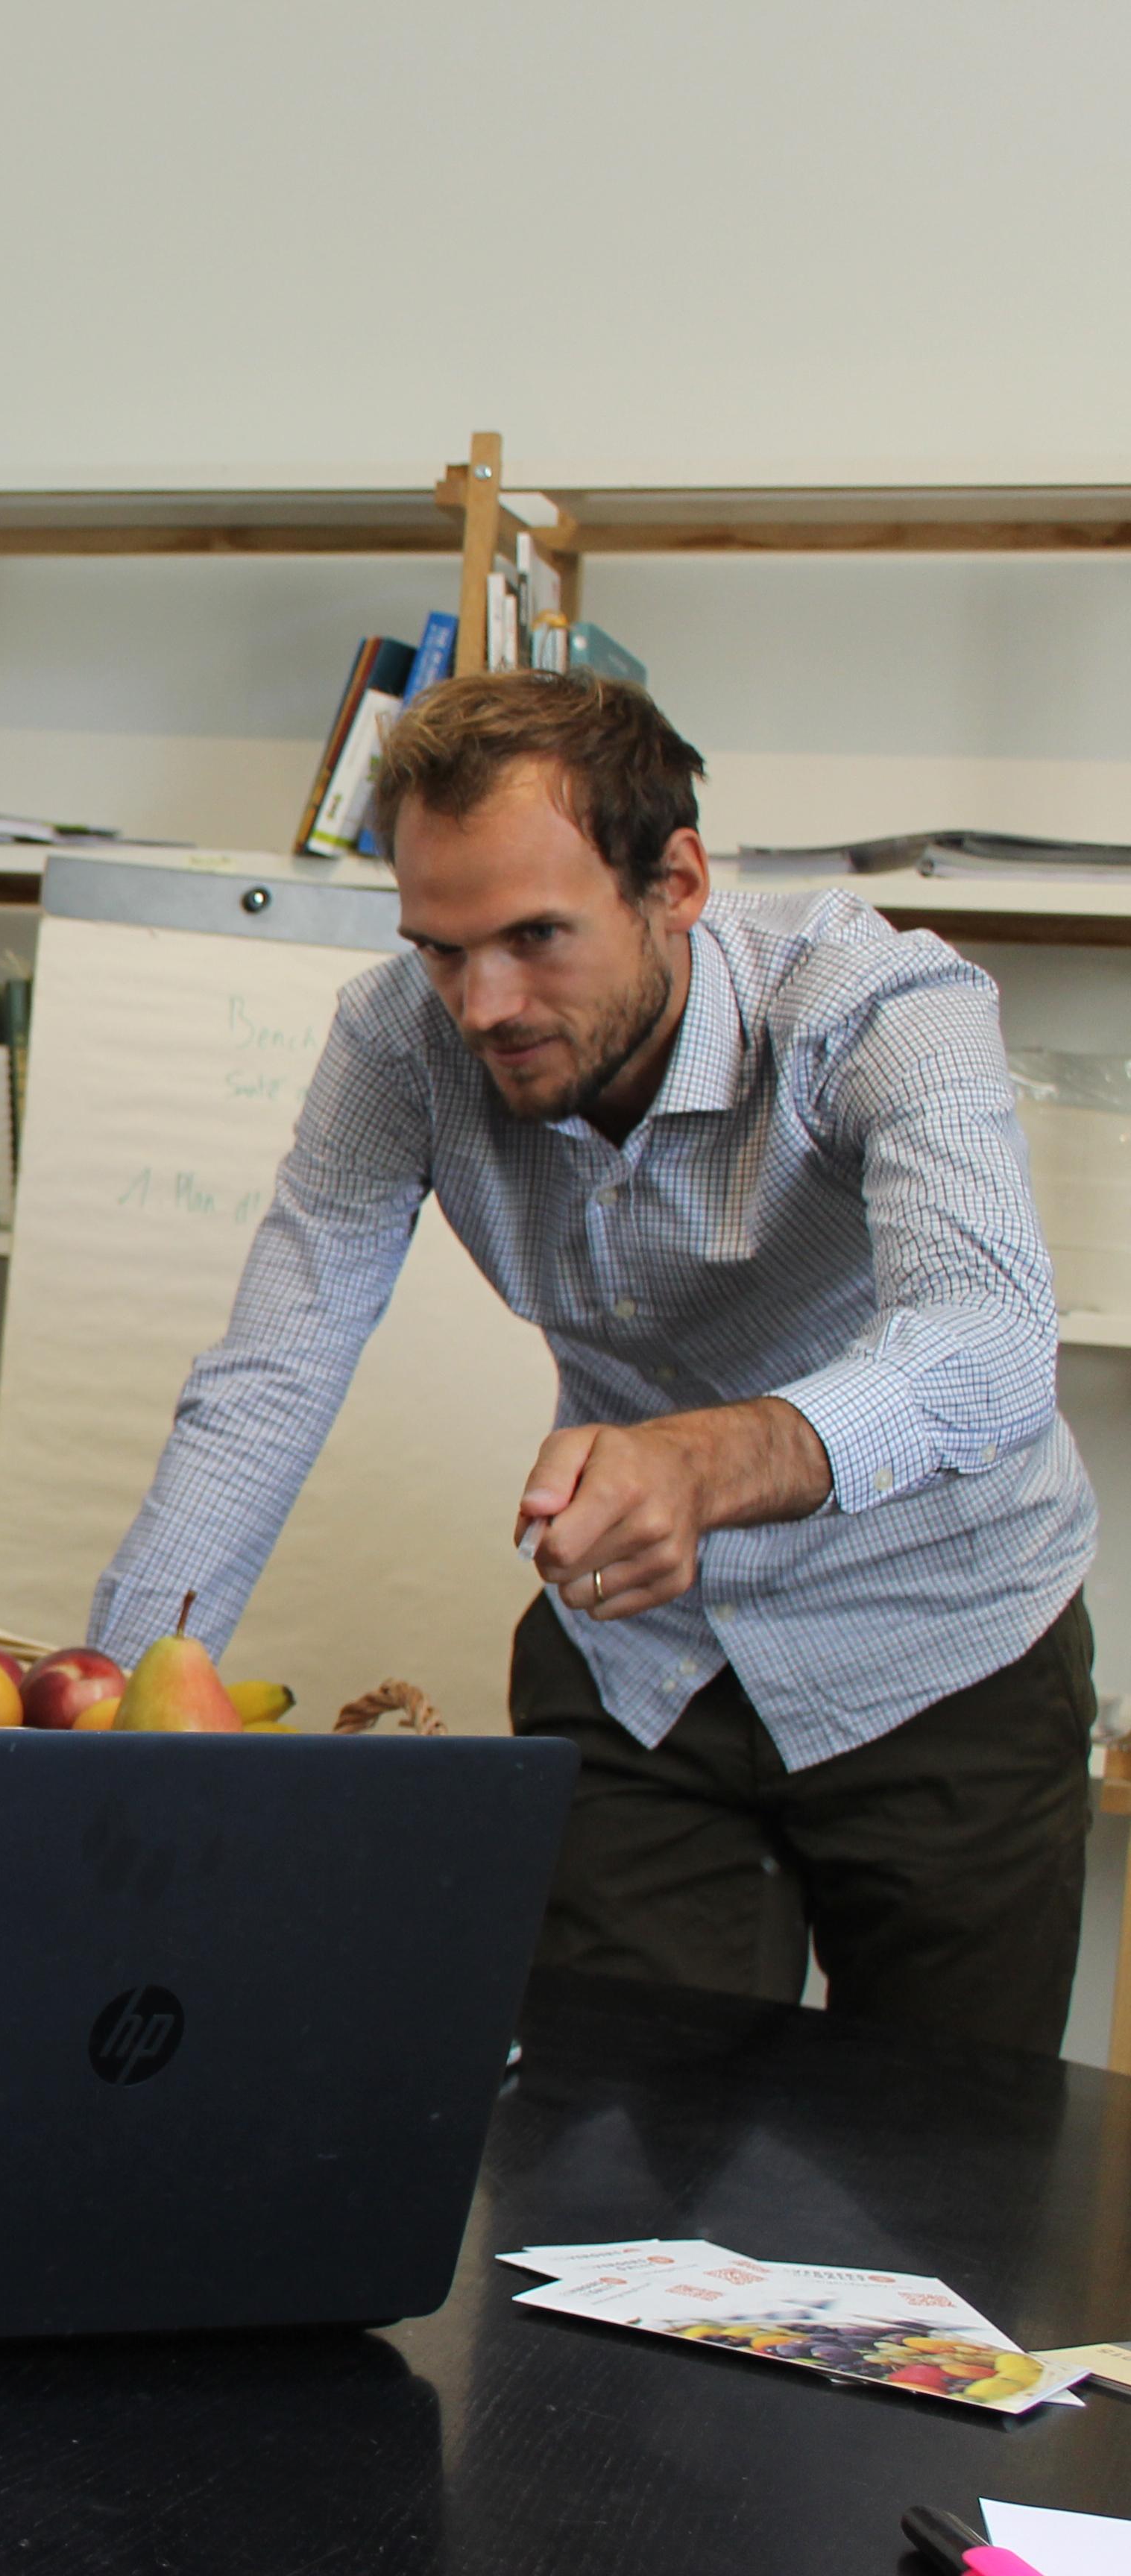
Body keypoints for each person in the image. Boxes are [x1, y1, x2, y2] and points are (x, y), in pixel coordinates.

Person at [89, 672, 1095, 2056]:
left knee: (943, 2146)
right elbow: (273, 1373)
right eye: (441, 949)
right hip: (642, 1669)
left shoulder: (877, 1003)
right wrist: (96, 1721)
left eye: (536, 938)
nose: (483, 1005)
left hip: (941, 1649)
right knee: (601, 2133)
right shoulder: (397, 1042)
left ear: (674, 883)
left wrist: (701, 1461)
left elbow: (989, 1341)